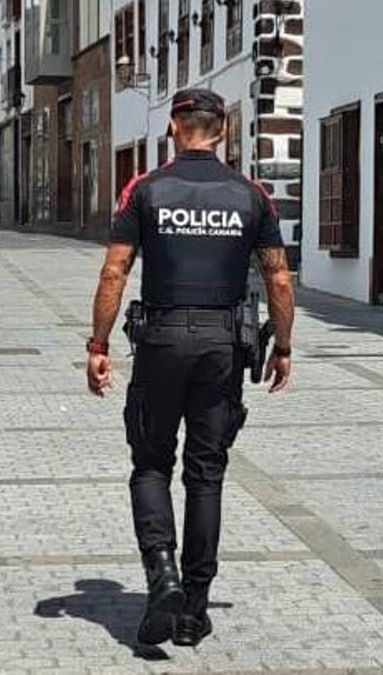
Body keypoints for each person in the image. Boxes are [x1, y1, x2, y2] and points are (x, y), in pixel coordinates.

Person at [86, 88, 295, 649]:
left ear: (175, 128)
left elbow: (114, 272)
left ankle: (163, 579)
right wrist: (284, 347)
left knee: (151, 464)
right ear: (223, 129)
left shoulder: (146, 190)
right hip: (223, 347)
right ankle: (194, 608)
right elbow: (278, 277)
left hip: (159, 342)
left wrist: (98, 344)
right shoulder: (251, 196)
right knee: (207, 472)